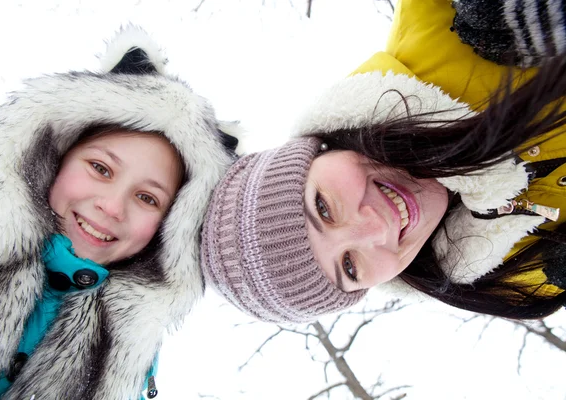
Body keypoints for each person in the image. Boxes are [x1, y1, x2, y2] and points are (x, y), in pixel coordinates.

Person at [200, 0, 566, 324]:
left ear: (315, 153)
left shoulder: (442, 17)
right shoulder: (519, 276)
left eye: (324, 208)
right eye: (349, 266)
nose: (373, 229)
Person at [0, 27, 237, 399]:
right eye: (101, 169)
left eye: (147, 198)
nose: (111, 207)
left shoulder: (126, 353)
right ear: (56, 158)